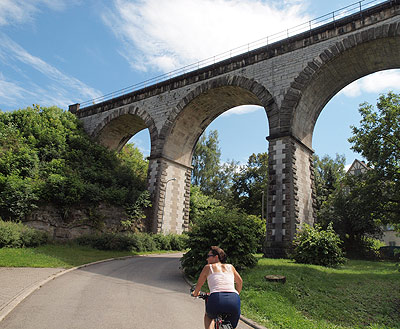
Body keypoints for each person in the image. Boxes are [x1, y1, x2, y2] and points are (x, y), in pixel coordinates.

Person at [192, 246, 243, 329]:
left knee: (209, 316)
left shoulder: (208, 267)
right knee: (230, 326)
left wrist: (195, 293)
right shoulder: (230, 267)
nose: (207, 259)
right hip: (234, 299)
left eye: (208, 256)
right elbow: (239, 282)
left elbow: (199, 284)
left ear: (216, 257)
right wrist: (236, 294)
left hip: (216, 298)